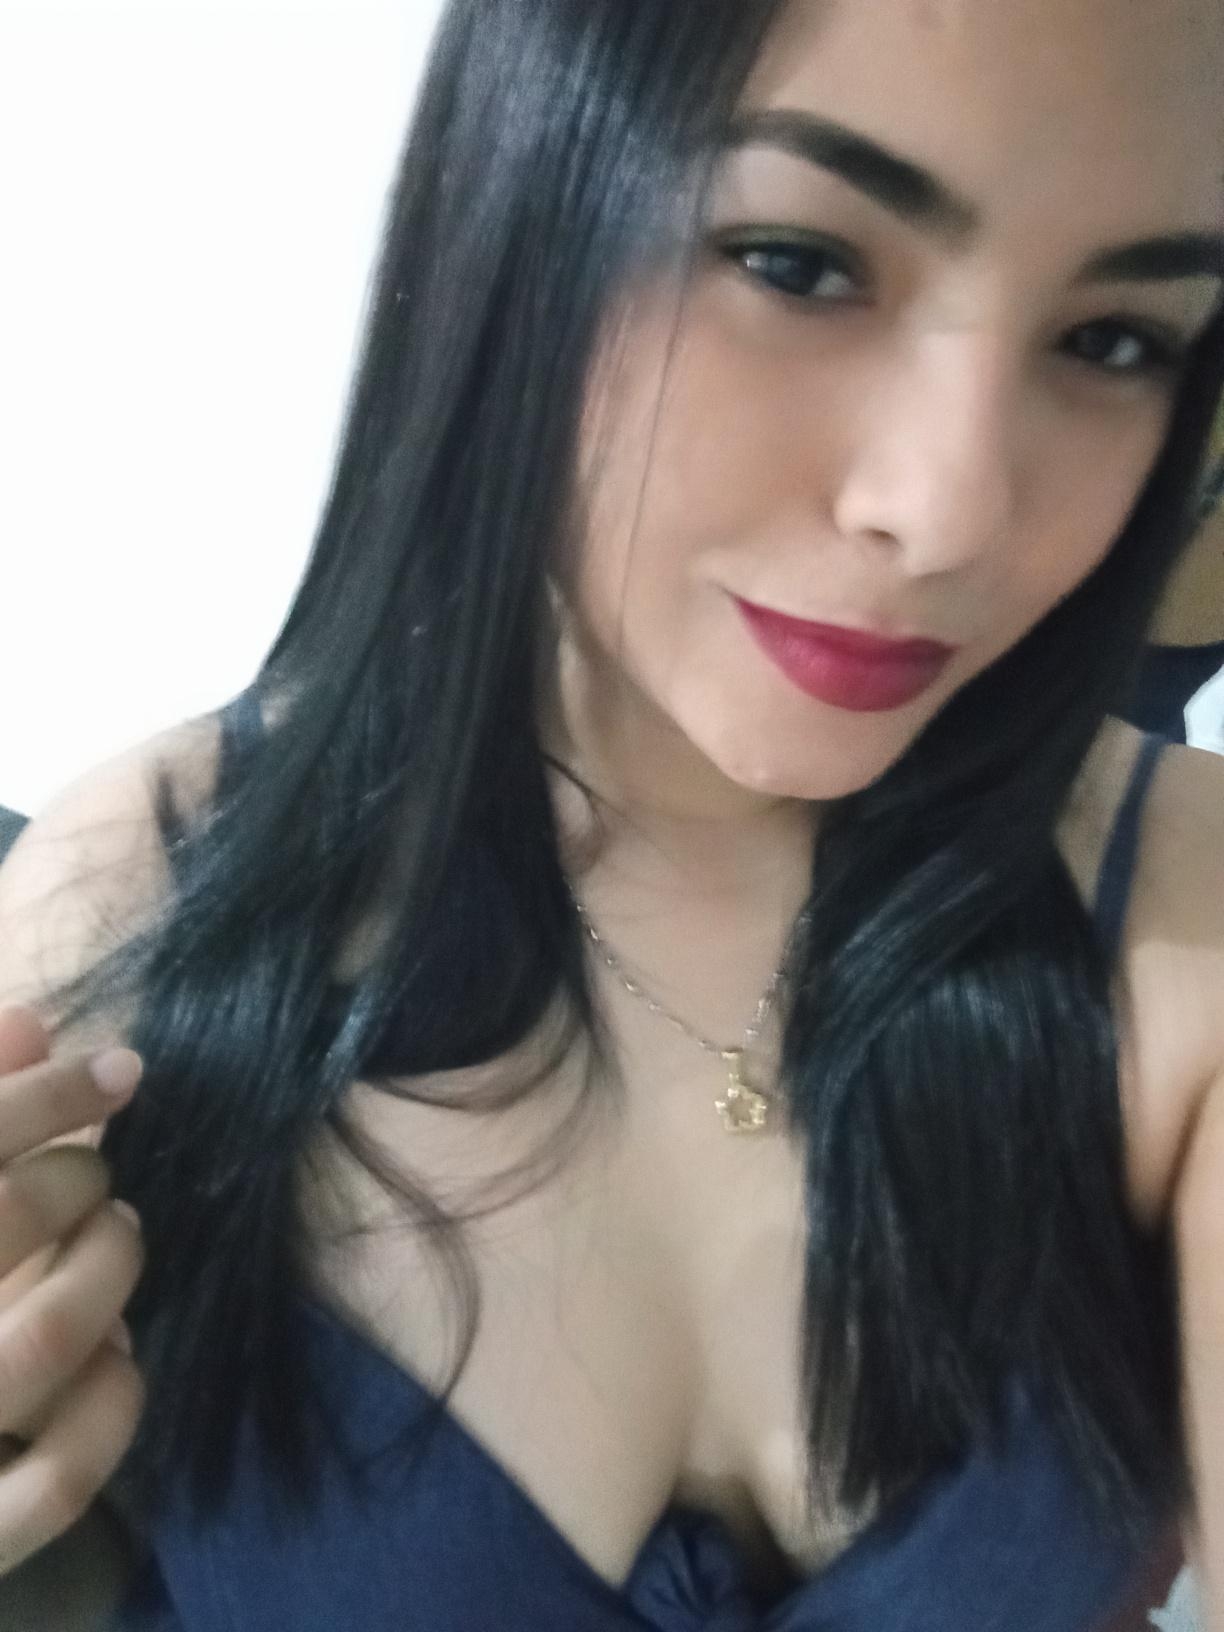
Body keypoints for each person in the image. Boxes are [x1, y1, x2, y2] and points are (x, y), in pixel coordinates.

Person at [0, 0, 1222, 1627]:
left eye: (1116, 341)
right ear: (518, 207)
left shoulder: (1183, 910)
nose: (947, 512)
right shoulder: (140, 903)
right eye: (797, 262)